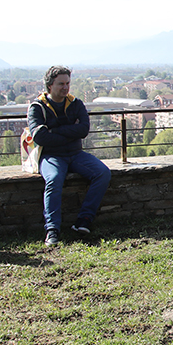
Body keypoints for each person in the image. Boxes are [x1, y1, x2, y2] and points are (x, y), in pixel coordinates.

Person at [27, 66, 112, 246]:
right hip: (51, 156)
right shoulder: (37, 107)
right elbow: (39, 137)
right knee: (54, 179)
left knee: (103, 173)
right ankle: (52, 230)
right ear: (50, 85)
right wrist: (69, 132)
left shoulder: (76, 103)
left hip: (75, 154)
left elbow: (83, 130)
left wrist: (54, 131)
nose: (65, 88)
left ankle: (84, 220)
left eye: (67, 83)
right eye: (61, 84)